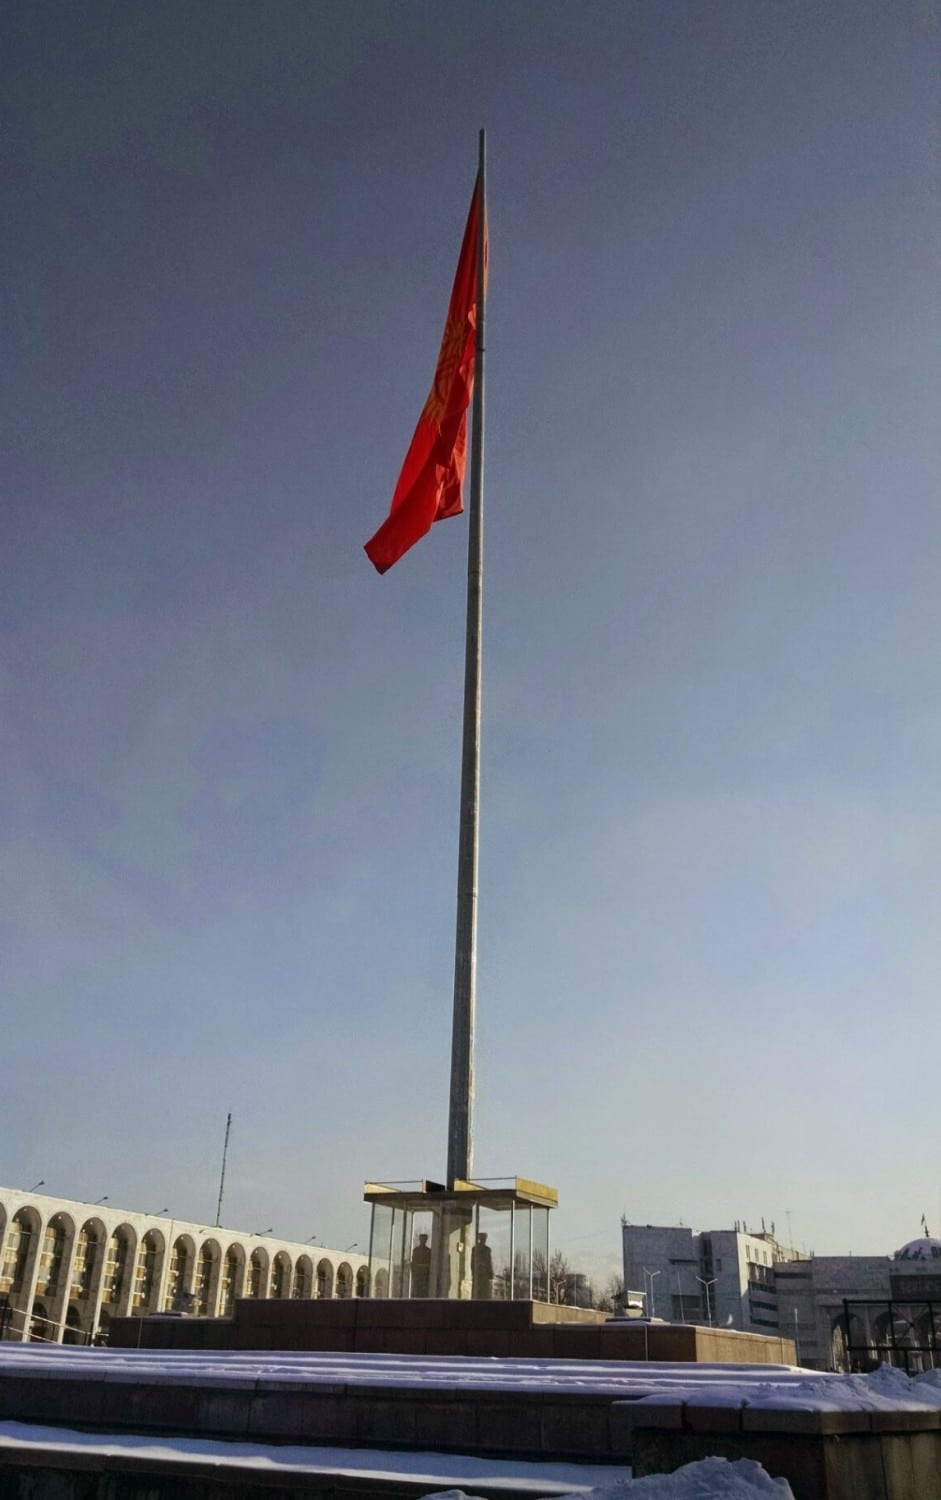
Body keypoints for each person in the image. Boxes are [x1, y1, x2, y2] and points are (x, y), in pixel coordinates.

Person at [471, 1232, 493, 1299]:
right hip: (482, 1275)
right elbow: (489, 1263)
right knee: (482, 1294)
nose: (484, 1240)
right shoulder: (484, 1250)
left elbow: (489, 1263)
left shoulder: (476, 1249)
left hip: (481, 1275)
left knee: (481, 1294)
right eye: (483, 1238)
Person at [410, 1232, 431, 1297]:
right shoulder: (415, 1251)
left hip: (425, 1277)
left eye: (424, 1239)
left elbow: (430, 1264)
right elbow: (413, 1263)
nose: (423, 1241)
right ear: (420, 1239)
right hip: (417, 1276)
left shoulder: (429, 1251)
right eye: (421, 1239)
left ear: (426, 1240)